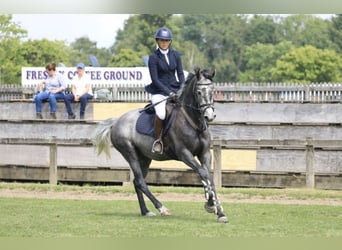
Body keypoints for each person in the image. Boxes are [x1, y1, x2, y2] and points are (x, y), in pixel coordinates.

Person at [145, 27, 185, 154]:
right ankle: (158, 140)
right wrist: (169, 93)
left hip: (175, 89)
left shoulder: (176, 55)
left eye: (166, 40)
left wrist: (182, 88)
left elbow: (180, 73)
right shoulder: (153, 57)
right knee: (161, 113)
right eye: (161, 40)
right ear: (157, 41)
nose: (164, 42)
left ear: (170, 42)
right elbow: (155, 79)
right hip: (159, 92)